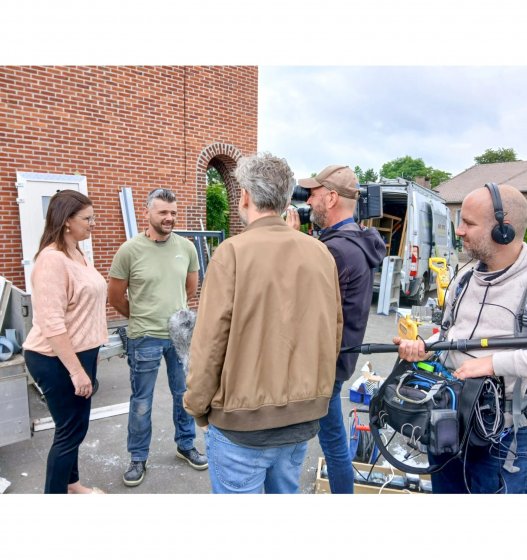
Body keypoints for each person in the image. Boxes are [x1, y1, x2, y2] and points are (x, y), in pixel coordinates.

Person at [183, 152, 343, 494]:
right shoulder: (320, 254)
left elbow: (209, 343)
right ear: (285, 198)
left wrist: (197, 406)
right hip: (301, 420)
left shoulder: (232, 252)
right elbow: (333, 335)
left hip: (242, 426)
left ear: (244, 196)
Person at [393, 183, 527, 493]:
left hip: (503, 437)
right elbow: (451, 335)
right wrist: (425, 349)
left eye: (468, 223)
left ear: (503, 230)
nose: (459, 230)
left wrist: (494, 363)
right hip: (449, 421)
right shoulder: (465, 277)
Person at [286, 165, 386, 493]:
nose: (308, 201)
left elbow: (296, 299)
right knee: (333, 440)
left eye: (313, 194)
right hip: (337, 361)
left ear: (330, 198)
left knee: (300, 444)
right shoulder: (352, 241)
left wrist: (291, 239)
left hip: (322, 366)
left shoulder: (336, 250)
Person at [108, 187, 207, 487]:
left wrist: (171, 312)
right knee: (142, 401)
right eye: (163, 212)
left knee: (183, 395)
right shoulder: (130, 250)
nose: (169, 218)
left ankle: (185, 445)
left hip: (180, 335)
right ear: (147, 212)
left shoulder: (186, 248)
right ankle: (138, 457)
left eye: (173, 213)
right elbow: (115, 296)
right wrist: (141, 316)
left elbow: (190, 289)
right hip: (145, 337)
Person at [23, 190, 107, 494]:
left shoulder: (77, 252)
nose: (93, 223)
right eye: (87, 218)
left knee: (71, 428)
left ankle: (73, 486)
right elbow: (51, 323)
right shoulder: (51, 260)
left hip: (80, 353)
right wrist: (76, 371)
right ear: (67, 221)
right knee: (71, 431)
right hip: (55, 358)